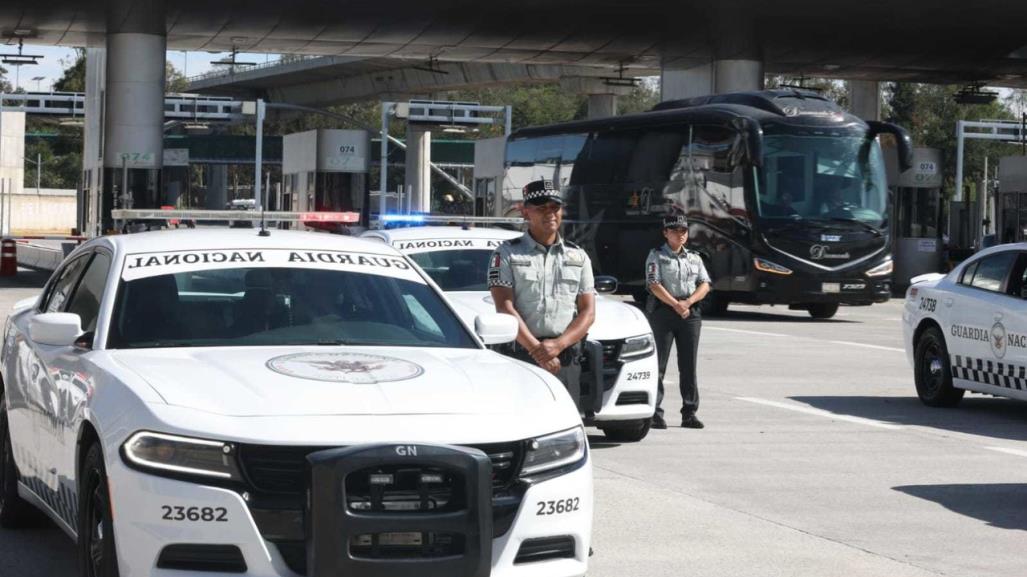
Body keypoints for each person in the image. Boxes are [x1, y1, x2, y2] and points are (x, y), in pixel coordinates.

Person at [488, 179, 596, 404]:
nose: (550, 214)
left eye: (554, 207)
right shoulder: (506, 254)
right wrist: (537, 350)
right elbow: (504, 307)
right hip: (521, 355)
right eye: (541, 208)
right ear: (526, 213)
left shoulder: (578, 256)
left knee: (566, 427)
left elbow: (587, 312)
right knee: (520, 426)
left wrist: (558, 345)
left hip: (564, 357)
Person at [645, 214, 711, 429]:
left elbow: (705, 284)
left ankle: (689, 412)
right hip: (664, 313)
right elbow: (654, 284)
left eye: (683, 230)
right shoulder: (656, 255)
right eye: (675, 231)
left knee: (688, 365)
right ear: (665, 233)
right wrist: (676, 304)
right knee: (659, 364)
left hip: (689, 315)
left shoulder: (694, 257)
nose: (680, 234)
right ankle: (654, 411)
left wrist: (688, 302)